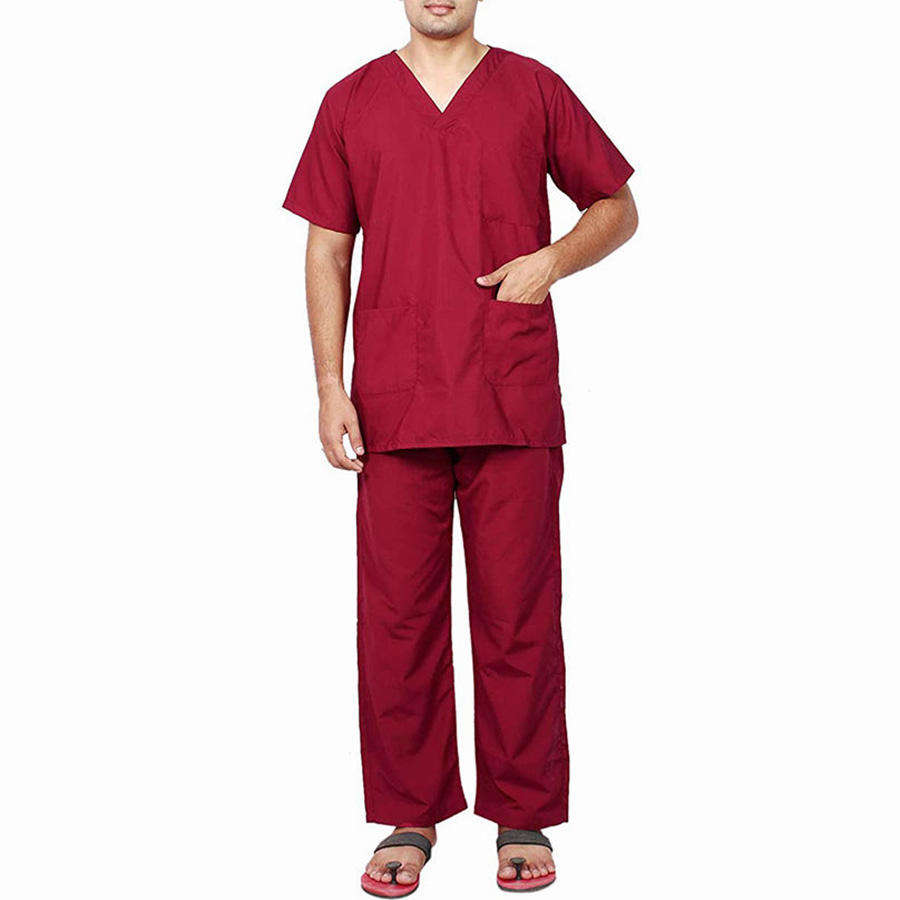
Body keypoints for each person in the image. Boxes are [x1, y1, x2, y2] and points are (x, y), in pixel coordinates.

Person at [283, 0, 637, 894]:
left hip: (507, 388)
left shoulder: (534, 90)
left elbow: (617, 206)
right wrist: (328, 385)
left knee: (520, 611)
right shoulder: (351, 101)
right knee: (396, 619)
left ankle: (522, 813)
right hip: (394, 398)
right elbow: (328, 250)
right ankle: (410, 814)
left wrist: (552, 260)